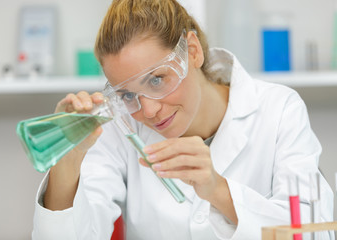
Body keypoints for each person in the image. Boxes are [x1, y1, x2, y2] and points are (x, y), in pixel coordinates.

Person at [32, 0, 334, 239]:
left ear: (192, 51)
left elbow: (314, 232)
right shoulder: (121, 127)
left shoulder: (278, 110)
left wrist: (217, 189)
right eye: (126, 94)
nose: (148, 111)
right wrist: (68, 159)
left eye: (156, 80)